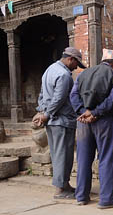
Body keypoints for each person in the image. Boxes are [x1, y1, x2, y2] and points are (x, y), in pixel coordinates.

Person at [70, 49, 113, 209]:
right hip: (104, 121)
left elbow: (73, 96)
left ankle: (81, 197)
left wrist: (83, 112)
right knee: (107, 158)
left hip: (83, 121)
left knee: (83, 159)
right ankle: (106, 200)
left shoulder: (82, 74)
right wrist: (95, 113)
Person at [33, 47, 85, 199]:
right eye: (76, 64)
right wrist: (46, 115)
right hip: (61, 121)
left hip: (53, 121)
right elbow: (59, 99)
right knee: (64, 155)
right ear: (70, 59)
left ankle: (64, 185)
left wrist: (42, 111)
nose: (76, 67)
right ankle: (60, 190)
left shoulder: (50, 70)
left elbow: (42, 95)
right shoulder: (64, 75)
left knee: (58, 154)